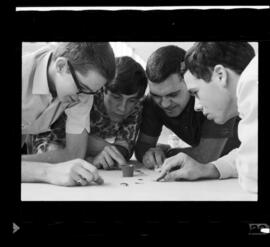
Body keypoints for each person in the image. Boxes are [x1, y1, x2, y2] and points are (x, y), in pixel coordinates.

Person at [157, 42, 257, 194]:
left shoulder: (252, 82)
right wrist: (207, 169)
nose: (197, 106)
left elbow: (251, 178)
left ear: (220, 75)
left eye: (196, 92)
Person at [28, 56, 148, 170]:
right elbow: (54, 140)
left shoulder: (136, 105)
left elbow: (124, 151)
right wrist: (94, 147)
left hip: (78, 149)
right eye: (116, 97)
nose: (122, 108)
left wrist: (97, 152)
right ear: (103, 88)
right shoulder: (86, 93)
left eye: (131, 100)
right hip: (42, 137)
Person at [21, 42, 116, 186]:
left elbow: (74, 154)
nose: (83, 98)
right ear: (61, 66)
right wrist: (47, 171)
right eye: (82, 88)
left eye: (91, 92)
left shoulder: (84, 91)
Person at [135, 45, 241, 169]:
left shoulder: (212, 98)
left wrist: (166, 153)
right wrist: (153, 153)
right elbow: (143, 149)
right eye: (156, 96)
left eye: (173, 94)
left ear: (189, 78)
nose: (164, 104)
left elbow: (205, 156)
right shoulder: (152, 102)